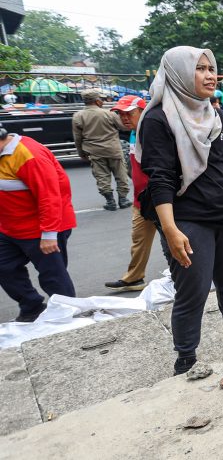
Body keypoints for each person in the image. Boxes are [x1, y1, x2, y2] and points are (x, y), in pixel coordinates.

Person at [136, 46, 223, 375]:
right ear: (178, 73)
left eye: (212, 68)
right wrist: (170, 229)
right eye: (201, 68)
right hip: (188, 219)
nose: (211, 75)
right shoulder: (158, 118)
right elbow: (160, 178)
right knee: (192, 291)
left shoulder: (220, 117)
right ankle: (186, 356)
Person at [0, 123, 77, 323]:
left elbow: (50, 197)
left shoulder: (28, 155)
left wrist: (49, 234)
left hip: (42, 228)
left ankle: (67, 315)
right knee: (5, 268)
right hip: (9, 228)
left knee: (53, 276)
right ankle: (32, 306)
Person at [104, 96, 155, 292]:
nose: (124, 118)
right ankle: (134, 278)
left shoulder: (152, 133)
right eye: (120, 114)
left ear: (142, 112)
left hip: (159, 199)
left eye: (129, 113)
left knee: (174, 241)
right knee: (139, 239)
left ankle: (195, 276)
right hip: (140, 200)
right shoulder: (133, 134)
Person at [73, 89, 131, 211]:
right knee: (121, 174)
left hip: (94, 152)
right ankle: (123, 199)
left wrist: (81, 153)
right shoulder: (109, 114)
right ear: (97, 101)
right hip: (113, 150)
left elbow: (77, 138)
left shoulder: (78, 116)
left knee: (102, 177)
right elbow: (123, 128)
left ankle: (110, 202)